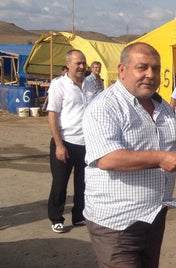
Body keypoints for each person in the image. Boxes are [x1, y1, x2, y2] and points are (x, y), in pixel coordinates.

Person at [81, 42, 176, 267]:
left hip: (153, 215)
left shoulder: (162, 106)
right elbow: (108, 158)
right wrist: (159, 158)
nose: (150, 75)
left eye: (155, 69)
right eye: (142, 67)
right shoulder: (105, 106)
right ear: (122, 70)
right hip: (117, 222)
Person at [46, 50, 100, 233]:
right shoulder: (59, 85)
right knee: (60, 183)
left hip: (86, 143)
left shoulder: (91, 85)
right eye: (78, 63)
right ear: (68, 64)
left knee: (83, 183)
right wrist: (59, 144)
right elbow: (52, 115)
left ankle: (79, 216)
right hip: (65, 142)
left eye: (84, 63)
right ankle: (56, 218)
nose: (82, 66)